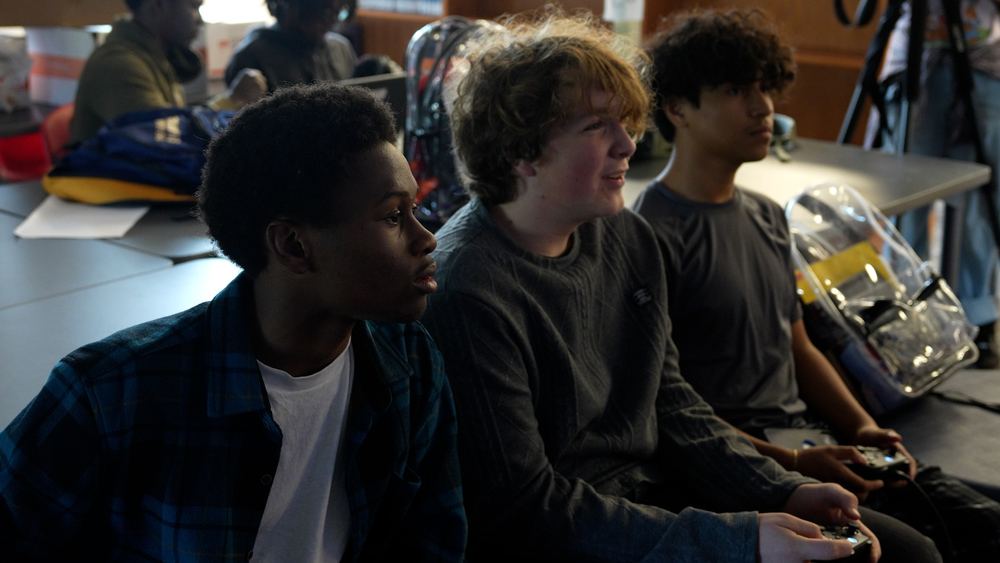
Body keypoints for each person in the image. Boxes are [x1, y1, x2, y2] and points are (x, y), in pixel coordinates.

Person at [421, 11, 883, 563]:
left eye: (626, 123)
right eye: (597, 127)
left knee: (900, 548)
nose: (627, 145)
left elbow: (669, 402)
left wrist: (780, 488)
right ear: (519, 151)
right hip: (575, 538)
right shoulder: (466, 291)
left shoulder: (624, 234)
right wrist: (740, 539)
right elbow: (527, 511)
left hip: (653, 496)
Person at [0, 83, 466, 561]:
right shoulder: (108, 395)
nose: (427, 238)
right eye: (393, 216)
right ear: (293, 246)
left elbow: (433, 539)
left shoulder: (411, 362)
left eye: (414, 209)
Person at [634, 8, 1000, 562]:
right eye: (736, 91)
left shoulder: (763, 214)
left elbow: (798, 344)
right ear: (677, 107)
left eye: (764, 88)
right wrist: (795, 465)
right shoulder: (649, 234)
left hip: (812, 440)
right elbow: (670, 409)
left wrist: (863, 426)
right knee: (918, 552)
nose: (763, 108)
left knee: (986, 525)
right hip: (744, 462)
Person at [867, 0, 1000, 367]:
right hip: (911, 56)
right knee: (904, 191)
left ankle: (978, 316)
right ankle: (904, 312)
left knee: (978, 194)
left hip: (984, 59)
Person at [70, 0, 267, 144]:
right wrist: (232, 101)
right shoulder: (118, 64)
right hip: (111, 191)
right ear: (158, 6)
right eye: (193, 6)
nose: (199, 20)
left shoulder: (156, 55)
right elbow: (164, 135)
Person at [225, 0, 363, 92]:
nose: (332, 22)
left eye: (340, 12)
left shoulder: (341, 48)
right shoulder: (250, 57)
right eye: (324, 10)